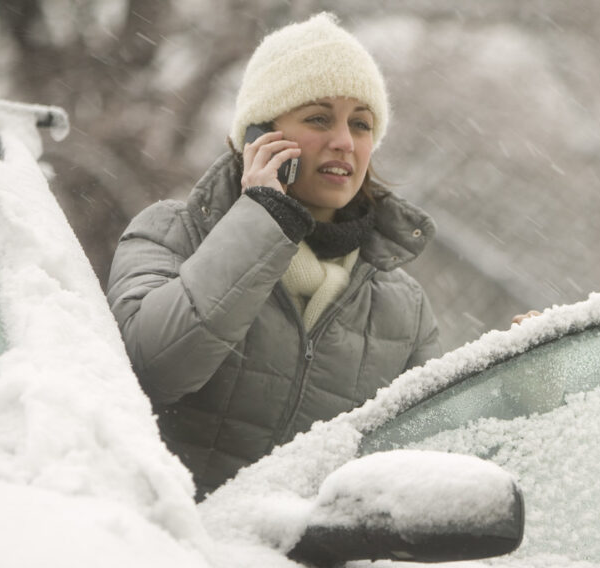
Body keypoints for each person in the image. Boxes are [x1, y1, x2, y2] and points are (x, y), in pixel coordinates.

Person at [106, 13, 441, 500]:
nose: (345, 141)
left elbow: (432, 461)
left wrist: (522, 386)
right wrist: (263, 218)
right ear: (257, 136)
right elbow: (154, 369)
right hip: (170, 558)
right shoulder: (169, 233)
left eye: (361, 124)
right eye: (318, 118)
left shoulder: (404, 309)